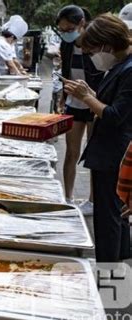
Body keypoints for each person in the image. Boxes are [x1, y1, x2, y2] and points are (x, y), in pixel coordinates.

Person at [63, 13, 132, 263]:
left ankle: (110, 278)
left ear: (107, 44)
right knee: (117, 216)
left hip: (115, 154)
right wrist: (91, 94)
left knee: (109, 219)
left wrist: (86, 98)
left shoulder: (129, 69)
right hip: (109, 153)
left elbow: (115, 115)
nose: (93, 57)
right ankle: (119, 271)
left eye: (93, 51)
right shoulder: (119, 66)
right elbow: (110, 103)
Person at [56, 5, 104, 215]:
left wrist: (95, 99)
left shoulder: (95, 45)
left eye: (69, 29)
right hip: (74, 104)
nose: (66, 34)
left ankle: (92, 200)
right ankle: (68, 197)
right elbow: (66, 72)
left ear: (81, 24)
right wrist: (63, 96)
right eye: (63, 30)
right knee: (71, 153)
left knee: (93, 153)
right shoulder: (66, 46)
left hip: (95, 102)